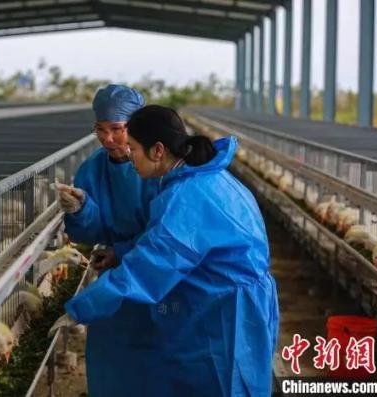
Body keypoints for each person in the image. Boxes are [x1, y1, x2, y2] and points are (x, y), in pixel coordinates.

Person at [65, 105, 279, 397]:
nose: (129, 157)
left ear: (158, 151)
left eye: (134, 149)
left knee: (225, 384)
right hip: (228, 299)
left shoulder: (186, 197)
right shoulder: (207, 179)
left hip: (226, 313)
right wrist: (125, 250)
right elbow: (169, 244)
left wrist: (82, 307)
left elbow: (148, 268)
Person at [57, 85, 160, 397]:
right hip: (115, 279)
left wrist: (124, 252)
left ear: (135, 126)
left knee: (158, 357)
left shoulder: (158, 167)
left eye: (116, 129)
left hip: (158, 275)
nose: (108, 139)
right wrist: (81, 209)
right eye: (100, 130)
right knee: (112, 357)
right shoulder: (93, 169)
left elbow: (167, 234)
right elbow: (92, 231)